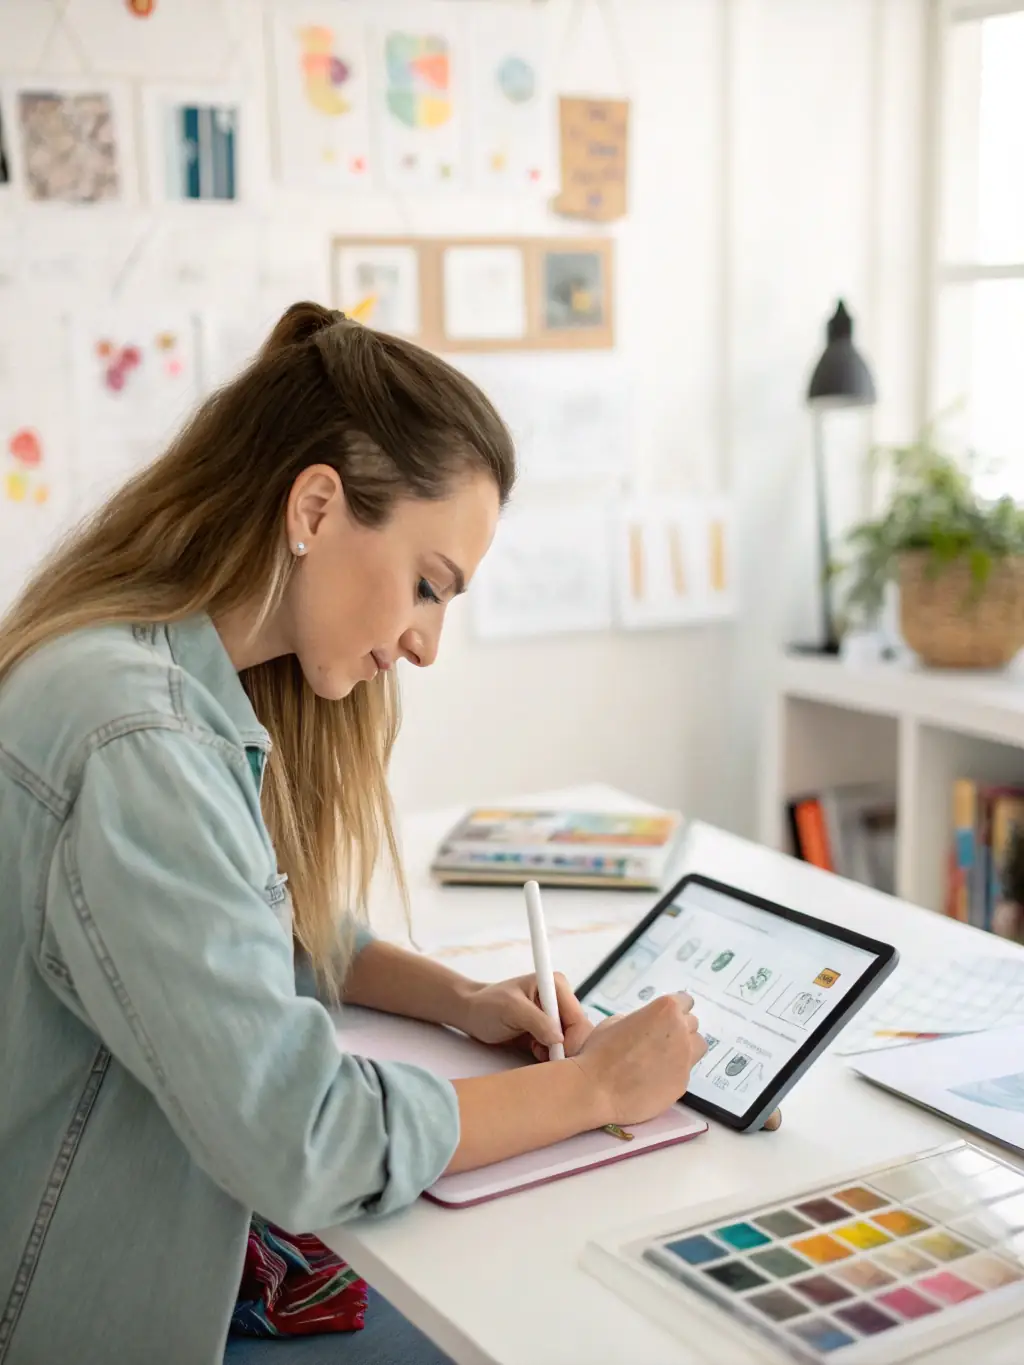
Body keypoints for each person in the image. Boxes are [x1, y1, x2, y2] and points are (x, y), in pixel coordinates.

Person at [0, 304, 749, 1365]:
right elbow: (303, 1137)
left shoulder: (139, 666)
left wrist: (460, 997)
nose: (427, 644)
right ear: (314, 507)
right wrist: (590, 1089)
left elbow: (247, 916)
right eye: (428, 586)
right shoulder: (138, 741)